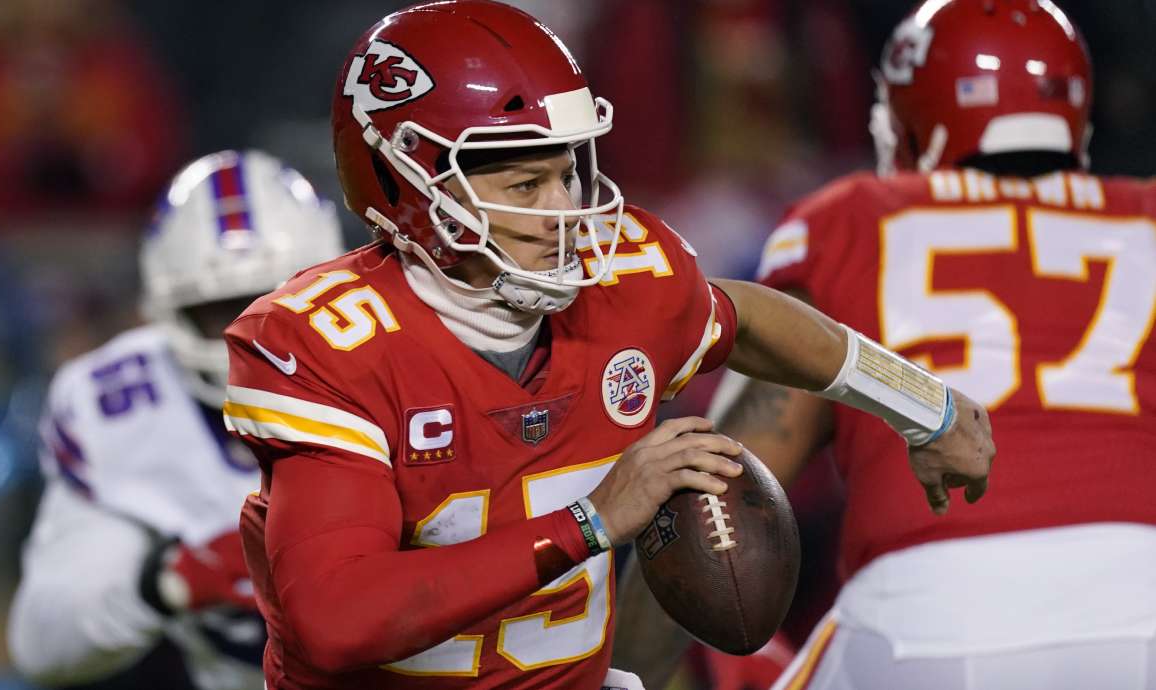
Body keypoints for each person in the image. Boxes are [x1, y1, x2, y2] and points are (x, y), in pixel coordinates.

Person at [222, 2, 994, 689]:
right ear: (407, 188)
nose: (569, 217)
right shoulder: (330, 343)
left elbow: (747, 318)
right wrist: (590, 521)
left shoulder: (623, 284)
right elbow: (338, 619)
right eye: (527, 188)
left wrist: (923, 406)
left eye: (570, 174)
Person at [615, 1, 1156, 688]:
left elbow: (712, 495)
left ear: (910, 118)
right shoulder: (1146, 213)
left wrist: (626, 672)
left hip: (932, 614)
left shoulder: (851, 219)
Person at [7, 150, 344, 690]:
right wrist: (168, 583)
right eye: (219, 311)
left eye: (271, 303)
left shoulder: (412, 372)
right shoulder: (117, 407)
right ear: (165, 308)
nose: (248, 335)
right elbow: (44, 645)